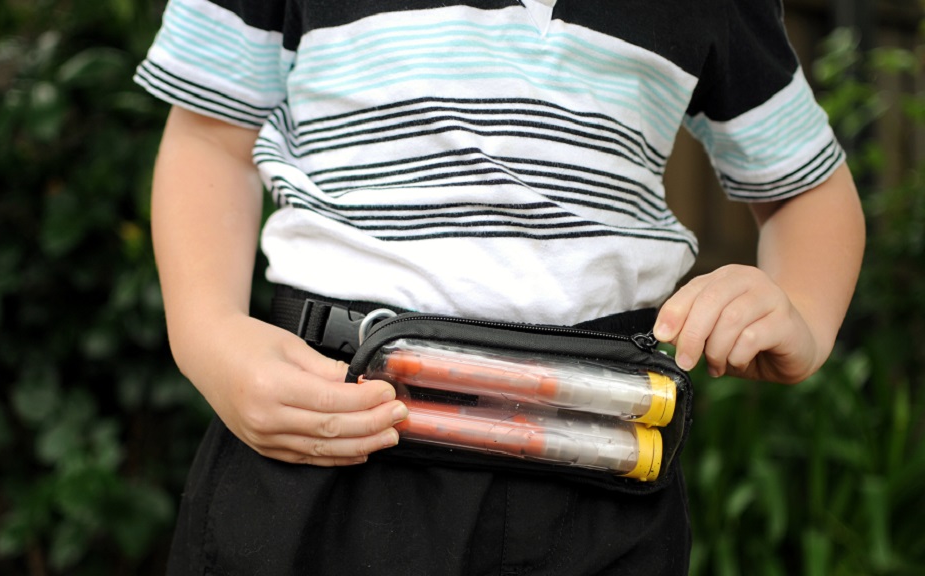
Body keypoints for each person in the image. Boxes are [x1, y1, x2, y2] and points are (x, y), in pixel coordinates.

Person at [136, 0, 865, 573]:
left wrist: (802, 310)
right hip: (326, 448)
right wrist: (208, 333)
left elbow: (810, 193)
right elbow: (208, 138)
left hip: (600, 467)